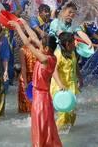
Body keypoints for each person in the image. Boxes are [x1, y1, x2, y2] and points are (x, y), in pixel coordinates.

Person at [12, 18, 62, 147]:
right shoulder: (51, 55)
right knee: (46, 125)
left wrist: (18, 28)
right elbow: (33, 38)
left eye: (41, 43)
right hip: (44, 96)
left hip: (40, 98)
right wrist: (24, 24)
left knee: (39, 126)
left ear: (45, 48)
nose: (38, 43)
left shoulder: (44, 58)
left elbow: (28, 44)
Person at [50, 32, 80, 132]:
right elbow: (53, 70)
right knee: (63, 114)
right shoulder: (58, 54)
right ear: (67, 44)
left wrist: (80, 78)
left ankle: (69, 132)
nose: (75, 44)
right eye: (73, 42)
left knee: (72, 113)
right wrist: (60, 84)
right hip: (60, 88)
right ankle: (58, 135)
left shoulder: (72, 52)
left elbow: (75, 65)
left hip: (71, 86)